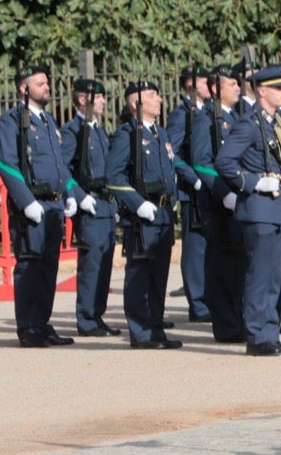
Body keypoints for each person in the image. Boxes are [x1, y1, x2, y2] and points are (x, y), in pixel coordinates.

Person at [217, 66, 281, 356]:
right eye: (279, 88)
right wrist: (254, 182)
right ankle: (258, 336)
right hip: (258, 208)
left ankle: (269, 332)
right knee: (260, 276)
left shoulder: (274, 123)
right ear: (262, 91)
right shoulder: (249, 125)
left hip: (276, 207)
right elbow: (224, 162)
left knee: (273, 277)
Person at [0, 64, 75, 348]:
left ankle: (42, 322)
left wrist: (69, 195)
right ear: (23, 88)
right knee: (29, 266)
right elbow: (6, 163)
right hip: (33, 205)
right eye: (39, 83)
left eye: (46, 82)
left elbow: (59, 165)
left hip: (52, 205)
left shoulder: (48, 121)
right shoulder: (12, 120)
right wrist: (26, 201)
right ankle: (28, 327)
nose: (46, 87)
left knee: (48, 267)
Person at [107, 79, 183, 349]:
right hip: (141, 217)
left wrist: (171, 201)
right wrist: (137, 203)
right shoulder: (126, 134)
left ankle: (156, 329)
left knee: (158, 276)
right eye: (152, 95)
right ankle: (141, 333)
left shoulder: (160, 134)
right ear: (135, 103)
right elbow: (113, 177)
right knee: (140, 275)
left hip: (162, 215)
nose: (159, 99)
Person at [191, 63, 246, 342]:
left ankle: (238, 320)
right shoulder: (205, 119)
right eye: (231, 83)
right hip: (218, 204)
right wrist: (225, 193)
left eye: (238, 83)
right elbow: (202, 163)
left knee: (239, 266)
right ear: (215, 89)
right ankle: (226, 326)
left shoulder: (235, 118)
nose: (238, 86)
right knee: (222, 266)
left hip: (239, 202)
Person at [60, 78, 118, 336]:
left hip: (106, 206)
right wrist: (78, 195)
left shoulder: (99, 131)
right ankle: (87, 319)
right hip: (90, 206)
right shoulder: (73, 131)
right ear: (84, 99)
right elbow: (63, 169)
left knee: (104, 265)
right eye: (100, 96)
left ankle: (97, 316)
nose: (104, 100)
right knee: (92, 266)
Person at [168, 64, 211, 323]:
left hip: (209, 189)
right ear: (191, 86)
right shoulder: (181, 114)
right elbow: (173, 153)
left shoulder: (208, 112)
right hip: (193, 192)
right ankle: (198, 304)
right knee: (195, 251)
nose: (211, 87)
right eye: (206, 83)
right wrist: (195, 180)